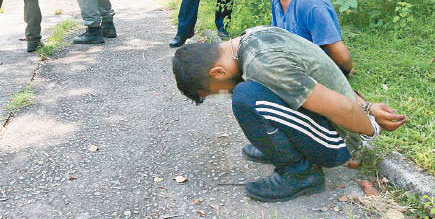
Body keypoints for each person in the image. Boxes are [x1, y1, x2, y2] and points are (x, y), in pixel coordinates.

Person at [172, 26, 406, 202]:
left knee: (245, 96)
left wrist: (369, 129)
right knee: (247, 91)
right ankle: (279, 147)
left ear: (218, 71)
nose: (220, 94)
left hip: (337, 141)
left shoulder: (262, 63)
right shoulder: (252, 36)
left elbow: (341, 107)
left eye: (215, 91)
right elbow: (321, 76)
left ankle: (302, 174)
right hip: (330, 120)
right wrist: (367, 105)